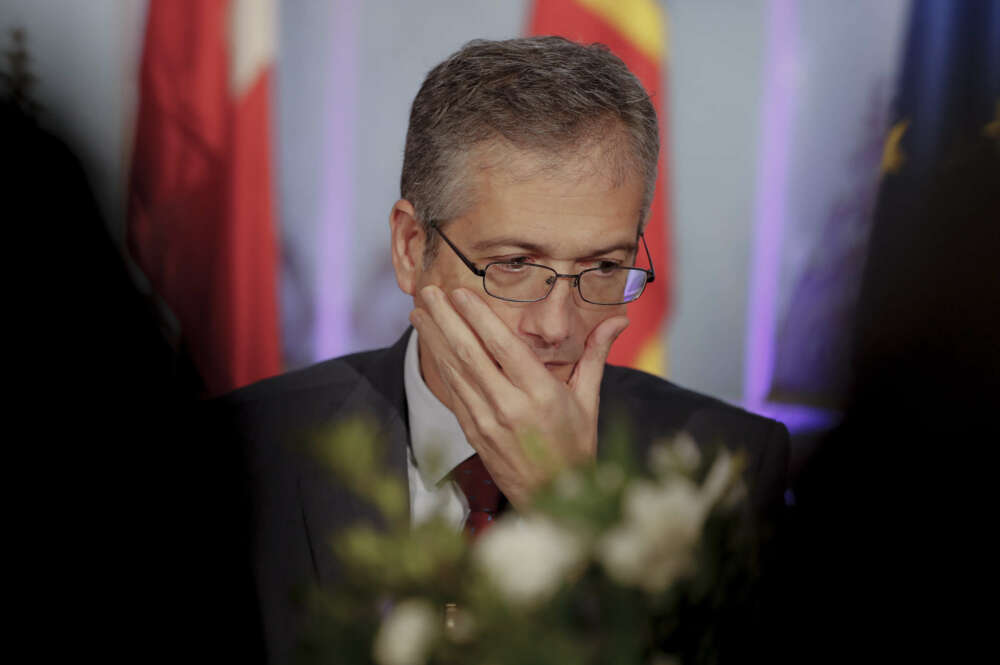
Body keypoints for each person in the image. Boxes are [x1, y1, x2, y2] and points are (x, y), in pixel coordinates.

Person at [221, 37, 789, 664]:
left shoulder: (724, 473)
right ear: (412, 248)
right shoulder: (237, 455)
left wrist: (573, 512)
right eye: (514, 264)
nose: (556, 325)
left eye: (603, 265)